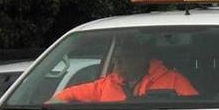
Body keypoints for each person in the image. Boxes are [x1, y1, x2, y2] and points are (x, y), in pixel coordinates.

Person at [53, 41, 198, 103]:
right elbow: (61, 98)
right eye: (116, 58)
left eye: (125, 58)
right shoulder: (106, 85)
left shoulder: (174, 81)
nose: (118, 63)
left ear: (142, 58)